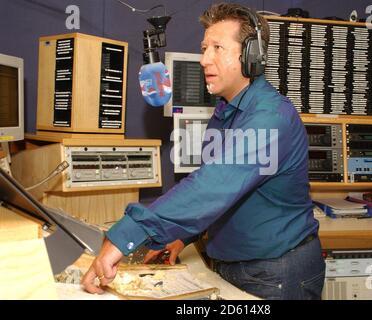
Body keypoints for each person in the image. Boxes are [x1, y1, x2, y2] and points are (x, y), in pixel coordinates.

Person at [82, 2, 325, 300]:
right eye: (204, 47)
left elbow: (214, 186)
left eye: (217, 48)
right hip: (238, 267)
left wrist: (125, 237)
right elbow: (217, 186)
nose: (204, 59)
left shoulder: (270, 117)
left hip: (276, 274)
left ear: (251, 55)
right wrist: (183, 237)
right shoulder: (225, 111)